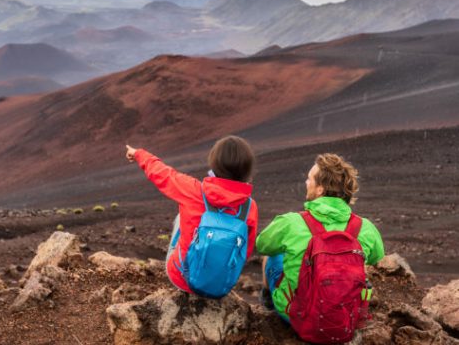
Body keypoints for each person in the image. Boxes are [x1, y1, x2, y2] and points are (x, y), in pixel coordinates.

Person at [256, 153, 384, 340]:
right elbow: (376, 257)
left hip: (299, 316)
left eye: (309, 179)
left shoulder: (291, 222)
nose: (306, 183)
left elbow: (262, 245)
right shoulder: (365, 227)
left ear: (320, 190)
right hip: (345, 317)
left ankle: (268, 302)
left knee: (273, 256)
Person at [125, 135, 258, 296]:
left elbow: (162, 174)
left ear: (214, 165)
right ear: (247, 169)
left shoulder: (193, 190)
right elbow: (246, 250)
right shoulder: (249, 207)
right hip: (220, 286)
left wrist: (139, 154)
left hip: (182, 279)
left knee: (181, 218)